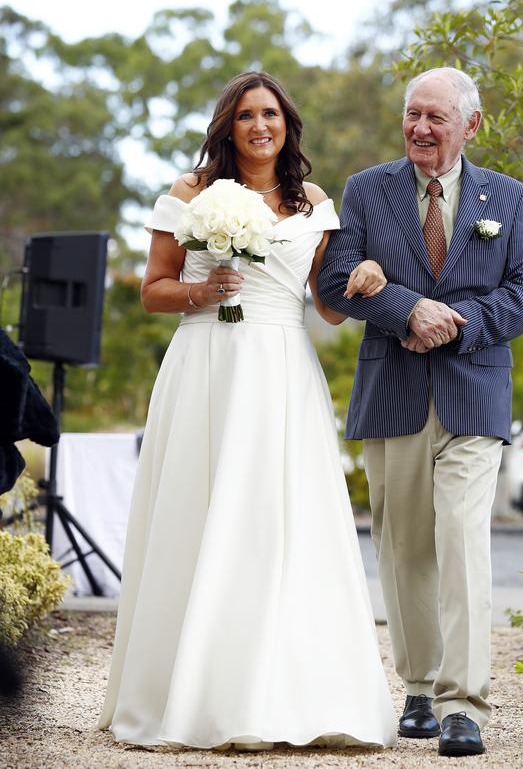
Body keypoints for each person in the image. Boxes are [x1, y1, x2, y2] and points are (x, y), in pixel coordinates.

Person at [98, 71, 397, 750]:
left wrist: (365, 279)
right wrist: (204, 293)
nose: (259, 125)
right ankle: (188, 693)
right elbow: (153, 290)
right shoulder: (191, 192)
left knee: (280, 523)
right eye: (245, 116)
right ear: (227, 127)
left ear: (288, 123)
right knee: (200, 516)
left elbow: (324, 304)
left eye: (270, 114)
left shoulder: (313, 200)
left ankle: (287, 690)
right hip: (206, 365)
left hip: (282, 370)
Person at [317, 67, 523, 758]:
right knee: (405, 545)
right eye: (412, 114)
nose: (419, 127)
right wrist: (404, 308)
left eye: (435, 117)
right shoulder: (367, 189)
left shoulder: (508, 198)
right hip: (392, 393)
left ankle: (462, 703)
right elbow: (335, 281)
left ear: (470, 125)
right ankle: (417, 687)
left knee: (464, 539)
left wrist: (460, 320)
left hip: (474, 393)